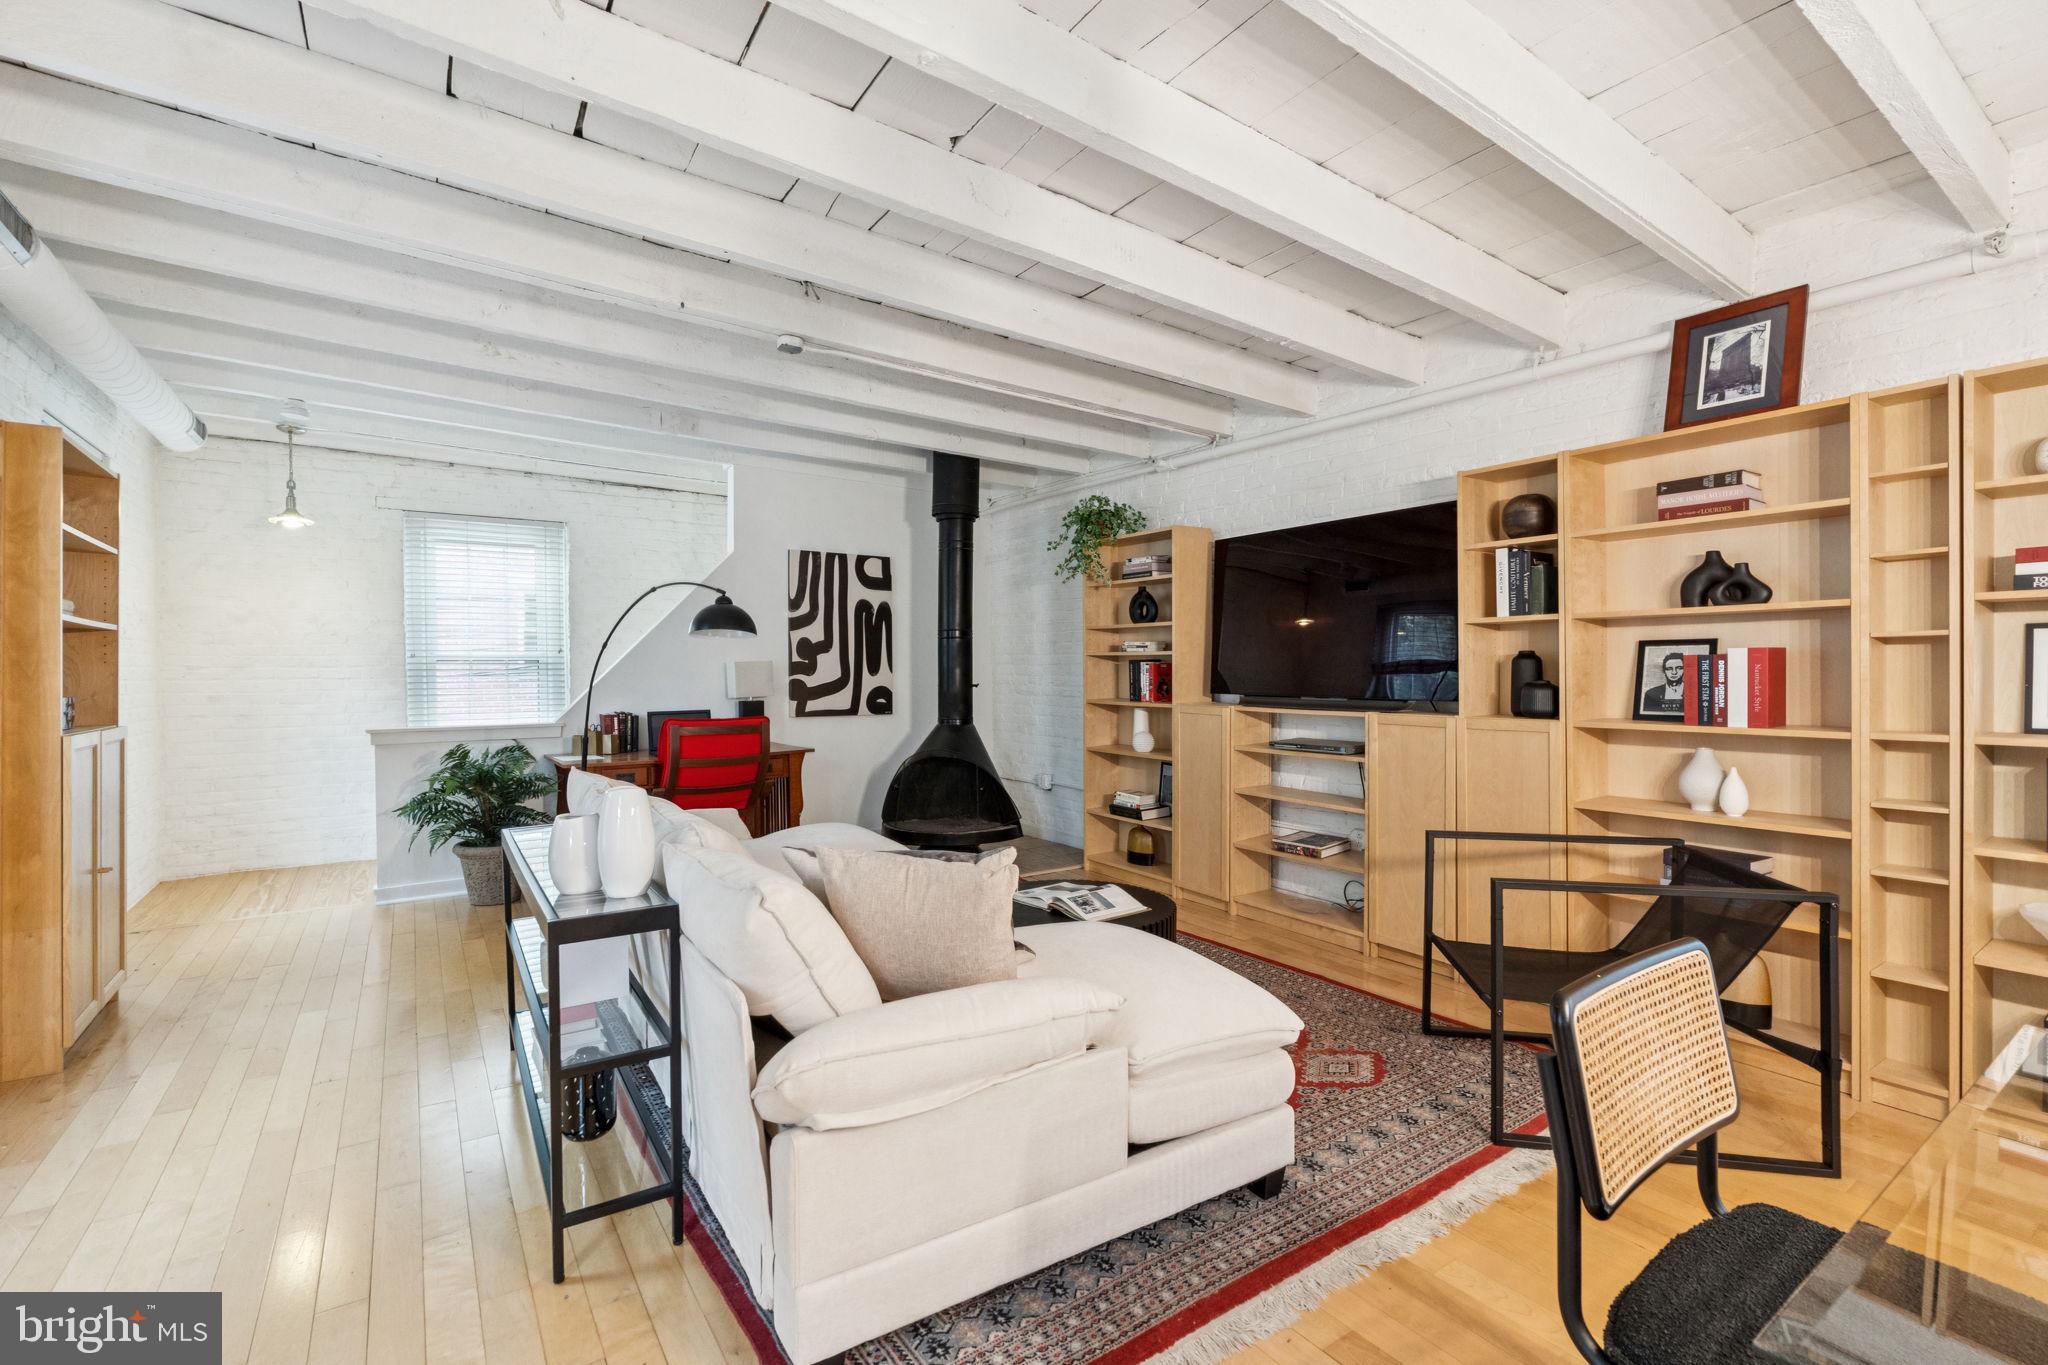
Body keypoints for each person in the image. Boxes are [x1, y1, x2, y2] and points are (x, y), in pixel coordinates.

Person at [1641, 650, 1689, 716]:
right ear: (1664, 671)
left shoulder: (1694, 692)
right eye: (1669, 668)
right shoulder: (1651, 694)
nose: (1674, 672)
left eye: (1679, 668)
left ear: (1684, 670)